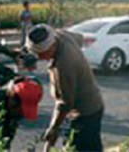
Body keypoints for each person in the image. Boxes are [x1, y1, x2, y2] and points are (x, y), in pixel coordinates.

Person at [27, 24, 105, 152]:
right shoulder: (60, 35)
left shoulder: (63, 67)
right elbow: (79, 38)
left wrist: (53, 128)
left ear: (51, 47)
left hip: (84, 113)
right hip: (94, 104)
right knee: (92, 145)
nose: (38, 57)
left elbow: (65, 103)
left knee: (79, 147)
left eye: (40, 54)